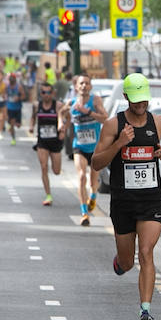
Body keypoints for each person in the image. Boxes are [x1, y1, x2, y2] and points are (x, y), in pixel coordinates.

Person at [91, 73, 161, 320]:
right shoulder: (112, 126)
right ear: (127, 97)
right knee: (129, 261)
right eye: (136, 100)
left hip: (151, 200)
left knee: (147, 253)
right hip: (123, 202)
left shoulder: (159, 122)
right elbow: (96, 162)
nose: (141, 105)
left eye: (145, 100)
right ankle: (121, 262)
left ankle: (145, 312)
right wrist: (119, 143)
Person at [67, 75, 107, 225]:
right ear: (76, 86)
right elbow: (61, 114)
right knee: (82, 176)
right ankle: (84, 213)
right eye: (81, 83)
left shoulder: (95, 101)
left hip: (95, 147)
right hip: (79, 147)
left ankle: (94, 196)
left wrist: (88, 112)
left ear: (90, 87)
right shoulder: (71, 103)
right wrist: (60, 124)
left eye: (87, 83)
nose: (84, 86)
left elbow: (105, 118)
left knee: (93, 182)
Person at [29, 82, 69, 206]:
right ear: (40, 94)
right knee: (44, 166)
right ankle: (48, 195)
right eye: (43, 92)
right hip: (42, 141)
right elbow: (33, 118)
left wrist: (63, 131)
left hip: (55, 141)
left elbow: (69, 118)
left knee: (56, 171)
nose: (46, 95)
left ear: (53, 93)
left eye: (48, 92)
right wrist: (31, 126)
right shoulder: (36, 105)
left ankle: (49, 193)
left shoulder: (58, 106)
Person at [4, 74, 25, 145]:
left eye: (12, 79)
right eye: (10, 79)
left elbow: (23, 96)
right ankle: (13, 138)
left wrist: (18, 98)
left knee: (18, 125)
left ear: (15, 79)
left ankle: (11, 126)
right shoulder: (7, 87)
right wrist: (5, 98)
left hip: (17, 108)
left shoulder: (19, 87)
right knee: (12, 124)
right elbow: (4, 95)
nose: (11, 80)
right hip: (10, 108)